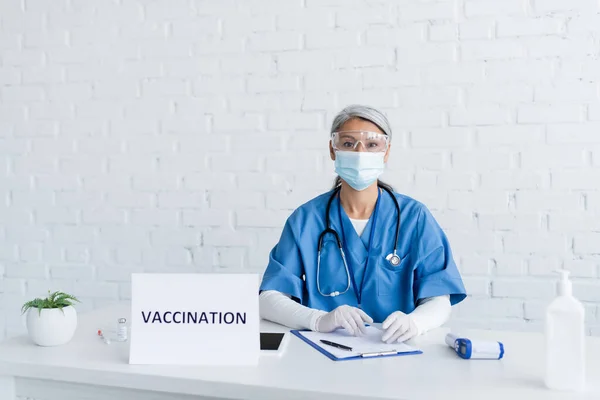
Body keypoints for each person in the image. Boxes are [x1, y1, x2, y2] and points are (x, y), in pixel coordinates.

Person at [259, 105, 466, 344]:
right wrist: (318, 319)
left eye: (372, 145)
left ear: (386, 152)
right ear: (332, 149)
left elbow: (439, 298)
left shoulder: (414, 217)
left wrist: (415, 322)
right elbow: (269, 298)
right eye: (348, 144)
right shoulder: (306, 220)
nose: (360, 153)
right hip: (321, 352)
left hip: (396, 352)